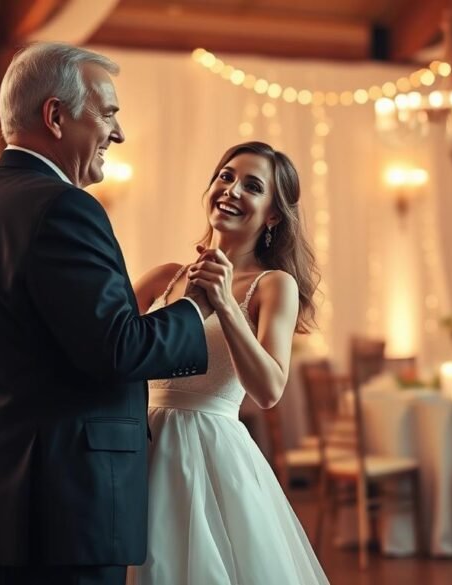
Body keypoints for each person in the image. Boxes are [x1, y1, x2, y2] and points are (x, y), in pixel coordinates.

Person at [0, 42, 211, 585]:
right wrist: (195, 305)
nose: (118, 133)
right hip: (61, 510)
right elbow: (119, 350)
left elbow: (53, 341)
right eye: (107, 113)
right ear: (56, 116)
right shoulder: (63, 207)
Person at [130, 141, 329, 584]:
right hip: (138, 447)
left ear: (272, 215)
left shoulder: (274, 285)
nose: (232, 190)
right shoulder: (164, 277)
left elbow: (269, 390)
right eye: (226, 176)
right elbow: (112, 347)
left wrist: (223, 303)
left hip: (211, 456)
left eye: (252, 186)